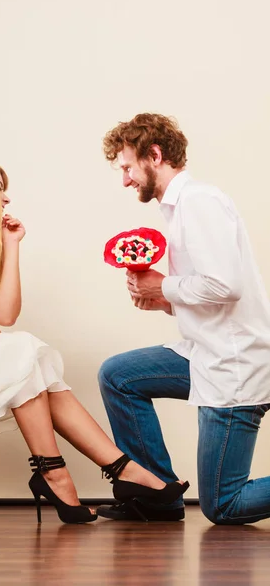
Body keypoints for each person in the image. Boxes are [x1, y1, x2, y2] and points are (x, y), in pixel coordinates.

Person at [0, 157, 188, 524]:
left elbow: (6, 315)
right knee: (22, 350)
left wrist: (12, 246)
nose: (6, 199)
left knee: (33, 361)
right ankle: (79, 473)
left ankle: (107, 472)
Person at [97, 113, 270, 525]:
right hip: (204, 353)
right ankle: (158, 493)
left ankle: (170, 495)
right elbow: (213, 294)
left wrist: (164, 288)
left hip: (233, 366)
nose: (124, 180)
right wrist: (165, 303)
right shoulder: (178, 208)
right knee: (118, 376)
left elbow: (225, 286)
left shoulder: (199, 202)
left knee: (223, 505)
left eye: (126, 167)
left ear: (154, 155)